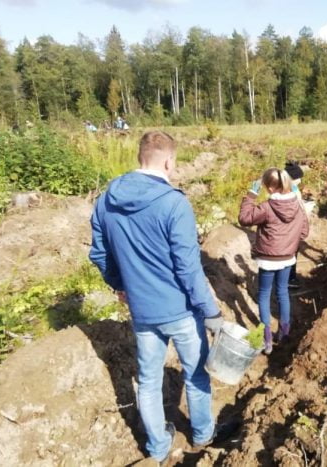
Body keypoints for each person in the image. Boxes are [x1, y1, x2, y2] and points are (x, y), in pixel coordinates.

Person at [89, 131, 237, 463]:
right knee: (196, 373)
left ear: (140, 156)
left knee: (149, 380)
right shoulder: (174, 203)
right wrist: (210, 310)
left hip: (142, 312)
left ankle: (157, 447)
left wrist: (121, 286)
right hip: (181, 311)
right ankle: (202, 433)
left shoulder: (106, 201)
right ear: (169, 161)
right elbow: (188, 268)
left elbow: (100, 254)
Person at [238, 168, 309, 355]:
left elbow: (244, 219)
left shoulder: (267, 207)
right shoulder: (298, 206)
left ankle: (267, 338)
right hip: (287, 258)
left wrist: (251, 196)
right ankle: (284, 334)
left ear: (269, 188)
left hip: (268, 259)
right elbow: (304, 232)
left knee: (263, 294)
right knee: (283, 292)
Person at [284, 160, 304, 289]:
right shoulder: (287, 191)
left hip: (293, 227)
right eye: (298, 178)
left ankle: (290, 276)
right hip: (289, 228)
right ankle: (289, 278)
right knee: (290, 253)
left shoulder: (293, 188)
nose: (300, 181)